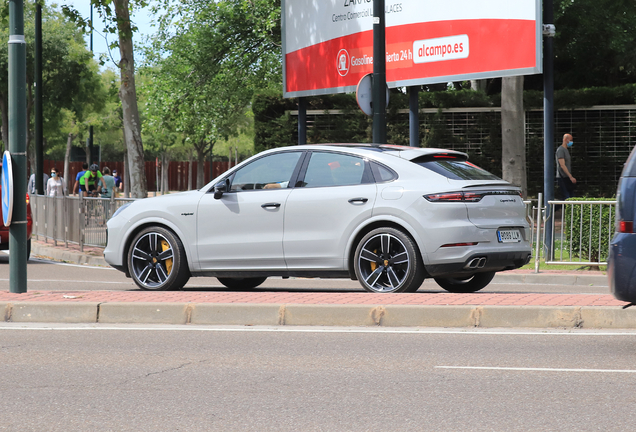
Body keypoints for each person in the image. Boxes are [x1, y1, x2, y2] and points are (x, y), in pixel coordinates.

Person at [556, 133, 577, 199]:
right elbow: (562, 165)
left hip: (566, 177)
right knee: (567, 196)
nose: (571, 142)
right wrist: (570, 176)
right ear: (565, 139)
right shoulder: (561, 150)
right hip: (562, 177)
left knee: (568, 196)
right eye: (570, 140)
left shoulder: (566, 150)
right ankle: (554, 208)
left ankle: (555, 208)